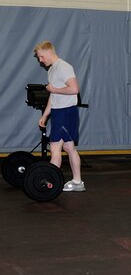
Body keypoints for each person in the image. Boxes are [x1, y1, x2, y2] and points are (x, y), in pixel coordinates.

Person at [33, 41, 85, 192]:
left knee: (55, 147)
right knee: (69, 147)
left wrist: (54, 89)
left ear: (49, 52)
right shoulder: (51, 70)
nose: (40, 60)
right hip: (58, 111)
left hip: (66, 112)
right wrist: (46, 114)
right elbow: (54, 94)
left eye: (41, 56)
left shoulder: (64, 67)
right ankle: (77, 182)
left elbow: (74, 89)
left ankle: (50, 182)